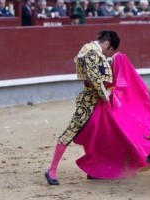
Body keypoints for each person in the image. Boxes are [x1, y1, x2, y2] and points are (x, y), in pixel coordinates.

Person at [45, 30, 120, 185]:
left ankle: (93, 169)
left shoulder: (95, 52)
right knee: (71, 131)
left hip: (97, 101)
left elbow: (100, 70)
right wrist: (105, 95)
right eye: (110, 50)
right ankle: (51, 170)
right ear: (107, 43)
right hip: (89, 101)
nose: (108, 54)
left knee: (97, 135)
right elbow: (94, 77)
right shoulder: (90, 51)